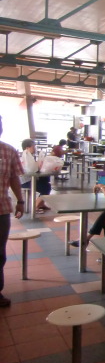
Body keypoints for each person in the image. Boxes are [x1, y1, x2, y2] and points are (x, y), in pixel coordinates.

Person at [0, 115, 25, 307]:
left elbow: (14, 178)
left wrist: (20, 201)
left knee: (0, 252)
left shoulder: (8, 150)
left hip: (2, 210)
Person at [19, 139, 52, 213]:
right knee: (46, 187)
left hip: (30, 178)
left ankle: (41, 204)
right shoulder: (24, 158)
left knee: (46, 180)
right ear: (27, 148)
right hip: (25, 181)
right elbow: (30, 170)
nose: (35, 148)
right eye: (33, 147)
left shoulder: (29, 156)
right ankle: (35, 206)